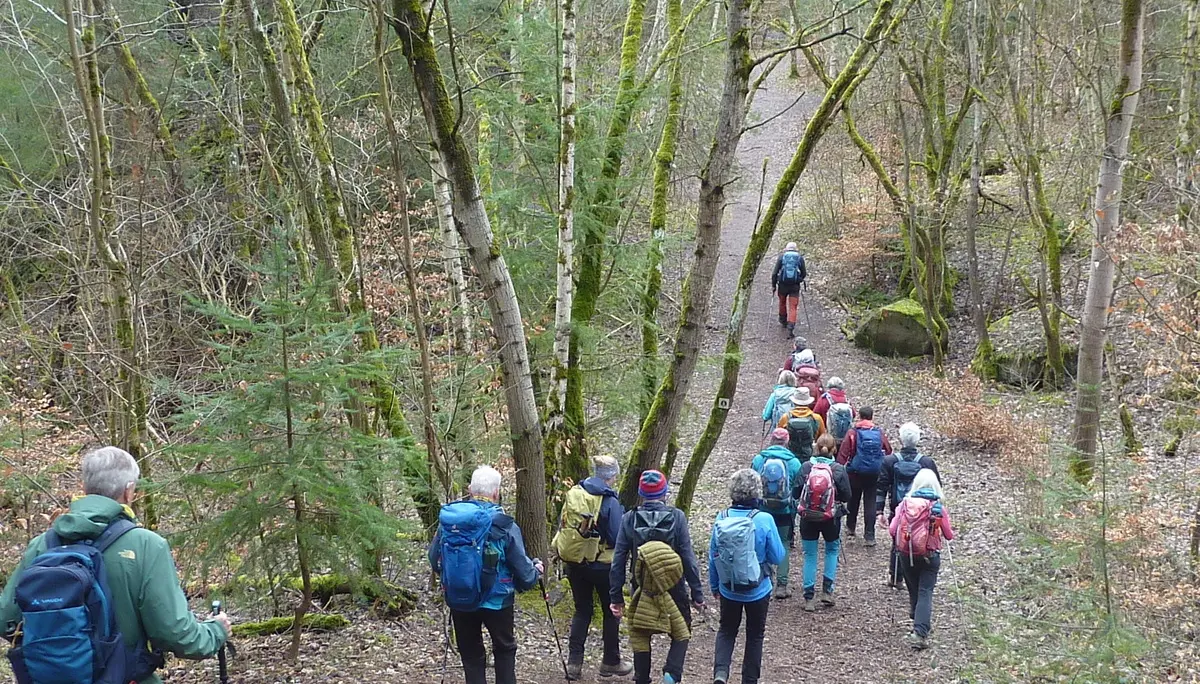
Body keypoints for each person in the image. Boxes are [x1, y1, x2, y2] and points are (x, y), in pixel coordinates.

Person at [1, 447, 231, 684]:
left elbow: (5, 619)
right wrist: (216, 631)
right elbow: (176, 635)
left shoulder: (42, 544)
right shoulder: (147, 545)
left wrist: (57, 653)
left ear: (84, 487)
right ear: (129, 491)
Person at [430, 465, 543, 684]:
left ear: (470, 490)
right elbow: (523, 571)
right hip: (497, 600)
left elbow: (434, 559)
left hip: (460, 598)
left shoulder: (450, 524)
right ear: (496, 493)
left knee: (471, 655)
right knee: (504, 649)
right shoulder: (503, 525)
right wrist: (535, 572)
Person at [610, 470, 705, 684]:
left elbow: (618, 560)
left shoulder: (629, 518)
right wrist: (697, 594)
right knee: (682, 629)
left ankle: (642, 678)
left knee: (641, 633)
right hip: (674, 587)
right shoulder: (677, 517)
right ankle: (671, 675)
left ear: (641, 493)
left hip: (642, 587)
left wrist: (616, 597)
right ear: (664, 492)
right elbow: (688, 558)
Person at [551, 456, 632, 680]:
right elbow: (616, 537)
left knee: (582, 610)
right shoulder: (609, 501)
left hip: (575, 562)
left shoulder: (577, 493)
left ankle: (574, 663)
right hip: (603, 566)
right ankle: (610, 662)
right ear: (611, 476)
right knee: (610, 612)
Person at [709, 469, 786, 684]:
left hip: (729, 587)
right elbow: (778, 556)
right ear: (757, 492)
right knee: (755, 635)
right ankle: (749, 680)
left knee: (726, 630)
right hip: (758, 589)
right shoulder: (764, 519)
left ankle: (721, 673)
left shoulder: (721, 517)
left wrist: (715, 585)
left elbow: (713, 555)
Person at [888, 468, 955, 650]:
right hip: (929, 555)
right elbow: (949, 535)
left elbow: (893, 530)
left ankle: (917, 618)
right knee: (925, 590)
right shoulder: (938, 508)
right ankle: (920, 631)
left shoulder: (904, 504)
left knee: (914, 588)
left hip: (906, 553)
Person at [877, 422, 941, 588]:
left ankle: (896, 577)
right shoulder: (927, 462)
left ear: (901, 439)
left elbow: (882, 486)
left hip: (899, 508)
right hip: (924, 511)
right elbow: (937, 488)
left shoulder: (890, 461)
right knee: (922, 539)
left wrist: (879, 511)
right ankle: (918, 576)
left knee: (897, 541)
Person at [796, 434, 851, 612]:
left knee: (810, 555)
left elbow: (796, 493)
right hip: (830, 518)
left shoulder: (806, 467)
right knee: (831, 551)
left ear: (816, 448)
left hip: (807, 518)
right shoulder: (838, 469)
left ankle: (809, 597)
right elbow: (847, 496)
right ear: (834, 449)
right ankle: (827, 591)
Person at [750, 428, 803, 599]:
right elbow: (797, 486)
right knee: (784, 544)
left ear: (771, 441)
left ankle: (762, 579)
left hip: (762, 510)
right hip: (785, 510)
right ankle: (782, 585)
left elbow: (752, 482)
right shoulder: (794, 462)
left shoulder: (759, 459)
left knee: (761, 542)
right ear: (787, 442)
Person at [836, 406, 892, 547]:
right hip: (874, 473)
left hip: (854, 473)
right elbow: (888, 450)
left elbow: (843, 454)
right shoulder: (879, 433)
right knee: (870, 502)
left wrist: (839, 471)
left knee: (853, 500)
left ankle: (850, 530)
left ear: (859, 416)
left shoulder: (853, 433)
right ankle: (869, 535)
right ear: (872, 417)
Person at [777, 387, 826, 462]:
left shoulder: (785, 418)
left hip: (790, 457)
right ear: (808, 402)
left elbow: (779, 438)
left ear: (794, 402)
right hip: (810, 457)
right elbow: (822, 439)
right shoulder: (817, 418)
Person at [770, 242, 807, 336]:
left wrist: (774, 285)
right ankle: (791, 327)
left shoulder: (782, 257)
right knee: (793, 306)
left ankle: (783, 320)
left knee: (782, 302)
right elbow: (804, 272)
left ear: (786, 248)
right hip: (795, 286)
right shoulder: (799, 257)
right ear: (795, 249)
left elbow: (774, 273)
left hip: (782, 285)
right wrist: (800, 279)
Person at [813, 377, 855, 447]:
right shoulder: (846, 399)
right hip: (845, 436)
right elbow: (853, 414)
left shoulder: (824, 399)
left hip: (828, 436)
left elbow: (815, 414)